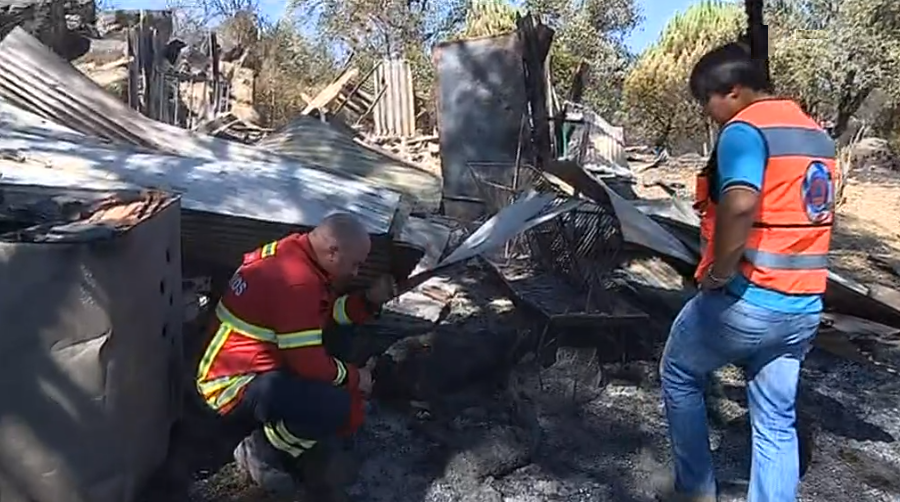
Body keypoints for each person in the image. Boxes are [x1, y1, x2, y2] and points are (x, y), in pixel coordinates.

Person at [660, 43, 836, 502]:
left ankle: (695, 489)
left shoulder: (745, 129)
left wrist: (718, 274)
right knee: (777, 420)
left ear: (732, 91)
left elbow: (739, 203)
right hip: (803, 305)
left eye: (708, 101)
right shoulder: (816, 134)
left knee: (679, 371)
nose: (710, 112)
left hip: (749, 298)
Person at [195, 212, 397, 499]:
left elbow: (325, 315)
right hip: (230, 388)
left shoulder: (291, 253)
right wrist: (355, 378)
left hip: (235, 369)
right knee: (334, 405)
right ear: (333, 251)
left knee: (337, 351)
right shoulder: (298, 283)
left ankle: (285, 437)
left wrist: (367, 301)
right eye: (355, 264)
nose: (355, 273)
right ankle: (262, 449)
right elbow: (309, 364)